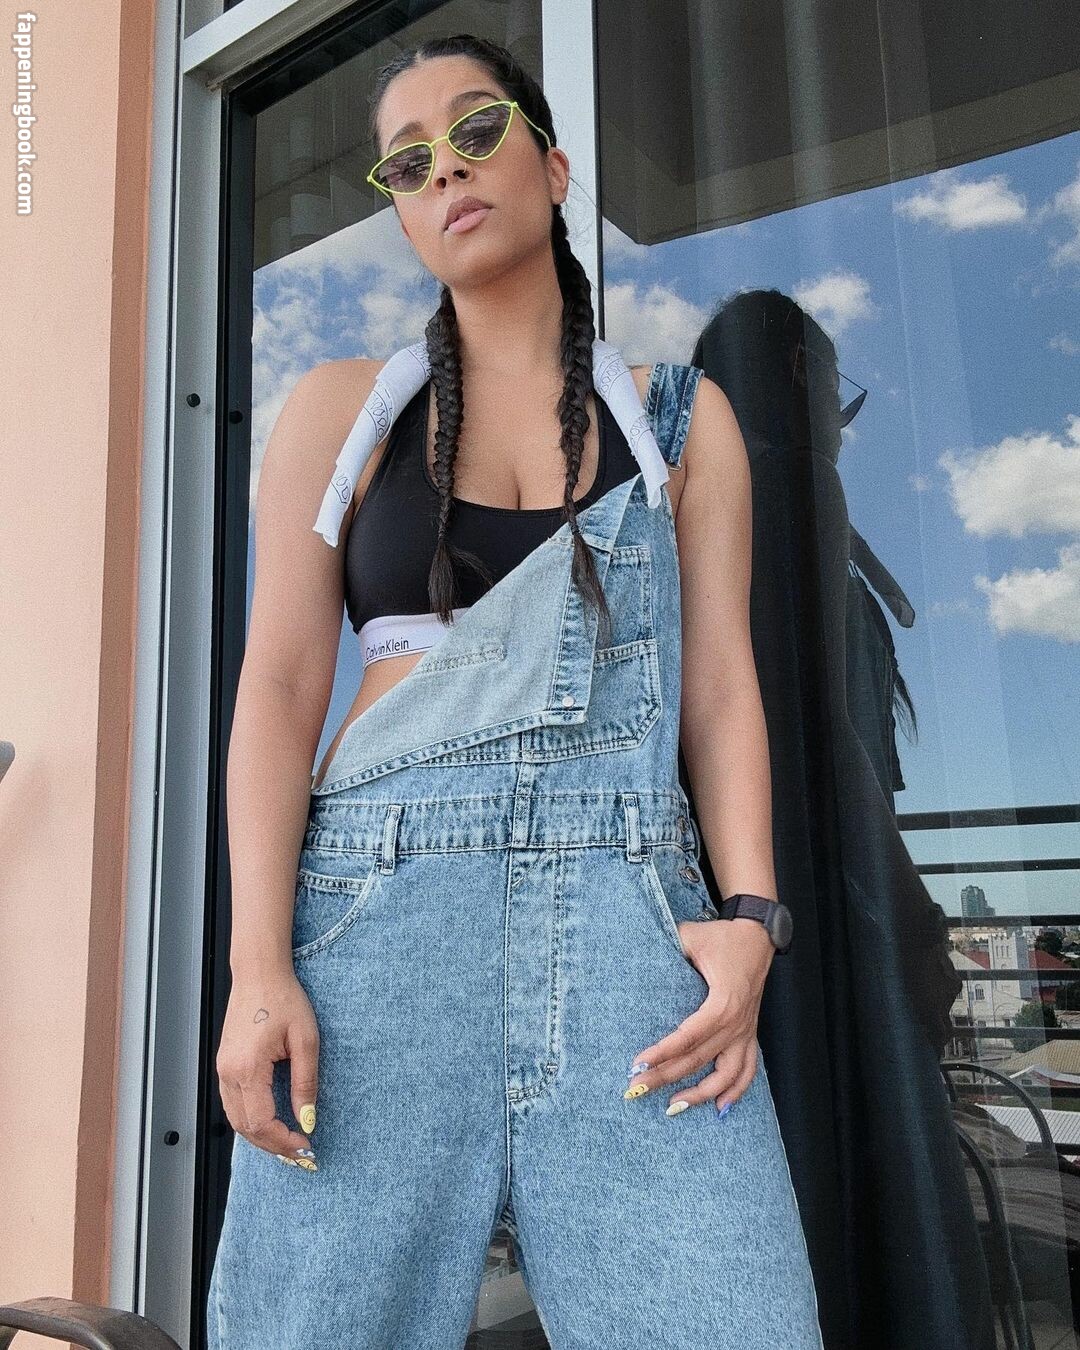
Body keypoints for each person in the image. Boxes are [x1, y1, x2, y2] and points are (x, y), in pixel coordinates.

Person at [207, 32, 823, 1350]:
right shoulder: (338, 413)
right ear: (401, 211)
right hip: (379, 929)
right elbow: (277, 692)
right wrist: (258, 967)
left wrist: (750, 916)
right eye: (408, 161)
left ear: (551, 166)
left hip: (629, 928)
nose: (445, 169)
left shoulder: (680, 421)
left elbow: (720, 686)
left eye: (476, 130)